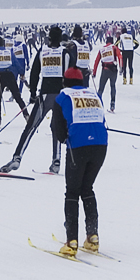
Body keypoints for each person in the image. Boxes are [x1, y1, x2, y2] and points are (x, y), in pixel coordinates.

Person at [0, 25, 75, 174]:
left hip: (45, 95)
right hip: (62, 96)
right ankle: (56, 160)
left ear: (49, 38)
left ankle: (17, 158)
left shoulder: (42, 52)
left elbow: (34, 73)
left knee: (30, 128)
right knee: (57, 127)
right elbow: (72, 74)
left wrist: (33, 93)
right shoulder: (66, 53)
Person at [51, 67, 108, 258]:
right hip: (101, 145)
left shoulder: (62, 97)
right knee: (88, 188)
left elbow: (58, 132)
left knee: (73, 191)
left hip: (78, 147)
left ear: (64, 81)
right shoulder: (94, 94)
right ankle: (92, 237)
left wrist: (67, 135)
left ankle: (71, 241)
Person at [0, 36, 30, 128]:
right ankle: (26, 115)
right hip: (10, 75)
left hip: (0, 76)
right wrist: (21, 72)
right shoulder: (9, 51)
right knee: (18, 97)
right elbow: (15, 62)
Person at [92, 36, 122, 112]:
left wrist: (94, 72)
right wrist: (121, 67)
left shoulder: (102, 49)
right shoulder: (114, 47)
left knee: (101, 88)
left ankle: (98, 104)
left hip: (104, 70)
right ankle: (112, 105)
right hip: (113, 70)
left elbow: (96, 61)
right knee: (112, 86)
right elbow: (120, 57)